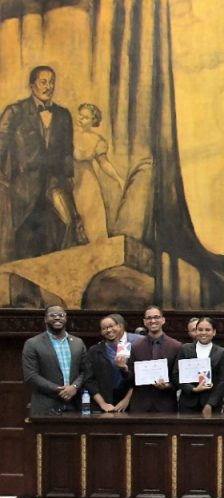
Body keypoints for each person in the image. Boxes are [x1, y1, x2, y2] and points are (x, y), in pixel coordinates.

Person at [0, 66, 84, 261]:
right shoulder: (15, 112)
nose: (49, 87)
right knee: (25, 242)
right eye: (43, 82)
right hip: (24, 188)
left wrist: (68, 177)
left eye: (51, 82)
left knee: (61, 233)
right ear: (32, 85)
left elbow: (66, 152)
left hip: (54, 186)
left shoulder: (64, 115)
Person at [22, 305, 87, 416]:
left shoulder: (78, 343)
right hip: (46, 406)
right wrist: (59, 390)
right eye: (52, 315)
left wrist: (74, 387)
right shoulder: (32, 344)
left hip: (75, 404)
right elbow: (31, 376)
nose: (57, 318)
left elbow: (86, 370)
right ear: (45, 319)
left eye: (61, 315)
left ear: (65, 319)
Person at [73, 103, 124, 243]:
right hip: (70, 179)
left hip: (86, 182)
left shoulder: (96, 140)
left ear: (93, 121)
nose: (81, 119)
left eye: (86, 117)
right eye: (80, 115)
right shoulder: (68, 133)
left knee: (91, 217)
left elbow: (104, 163)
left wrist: (118, 178)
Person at [127, 306, 181, 413]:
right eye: (149, 318)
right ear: (144, 322)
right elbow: (130, 378)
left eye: (156, 317)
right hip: (140, 405)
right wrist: (124, 369)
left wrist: (168, 386)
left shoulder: (176, 346)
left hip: (166, 405)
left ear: (163, 320)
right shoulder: (135, 346)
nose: (153, 321)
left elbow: (179, 378)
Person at [174, 317, 224, 416]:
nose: (203, 333)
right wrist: (192, 389)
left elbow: (222, 381)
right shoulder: (185, 349)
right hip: (188, 403)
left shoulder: (222, 352)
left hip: (211, 405)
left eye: (207, 330)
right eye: (200, 329)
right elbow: (175, 375)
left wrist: (210, 404)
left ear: (214, 332)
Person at [83, 315, 134, 413]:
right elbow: (89, 380)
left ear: (119, 327)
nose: (109, 330)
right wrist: (103, 403)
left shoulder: (130, 348)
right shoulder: (94, 351)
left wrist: (126, 400)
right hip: (102, 404)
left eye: (111, 326)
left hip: (127, 404)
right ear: (101, 332)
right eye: (104, 328)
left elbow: (135, 379)